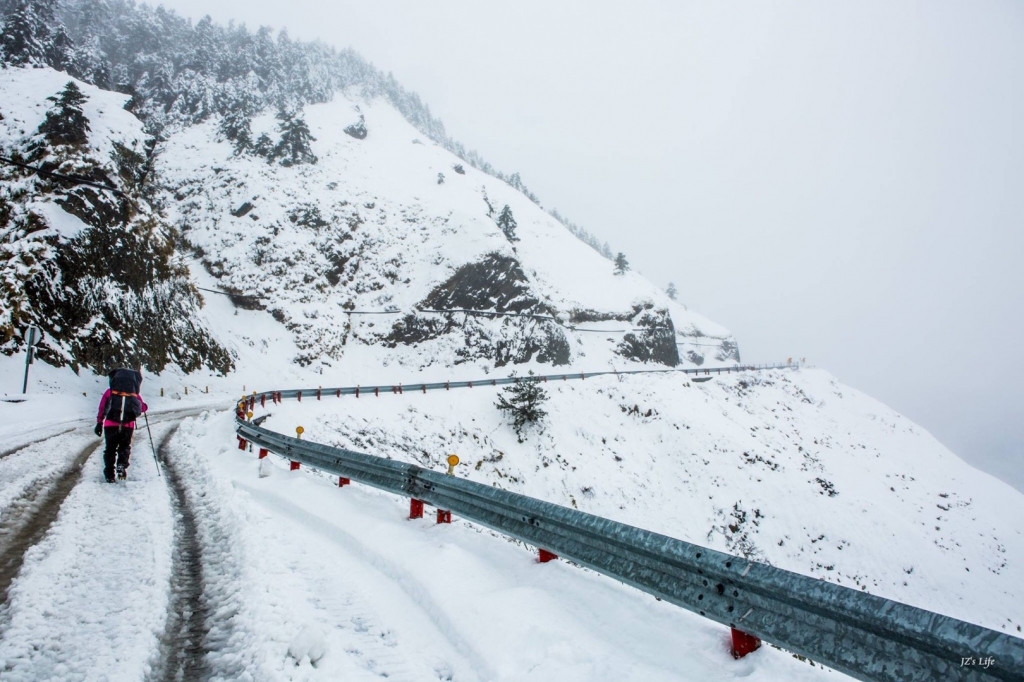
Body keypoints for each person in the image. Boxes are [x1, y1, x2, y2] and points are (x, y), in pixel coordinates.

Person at [95, 368, 147, 483]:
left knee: (110, 449)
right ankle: (121, 466)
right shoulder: (134, 394)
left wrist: (99, 422)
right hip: (127, 426)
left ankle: (109, 474)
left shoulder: (110, 392)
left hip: (110, 425)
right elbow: (142, 408)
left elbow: (102, 408)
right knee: (124, 447)